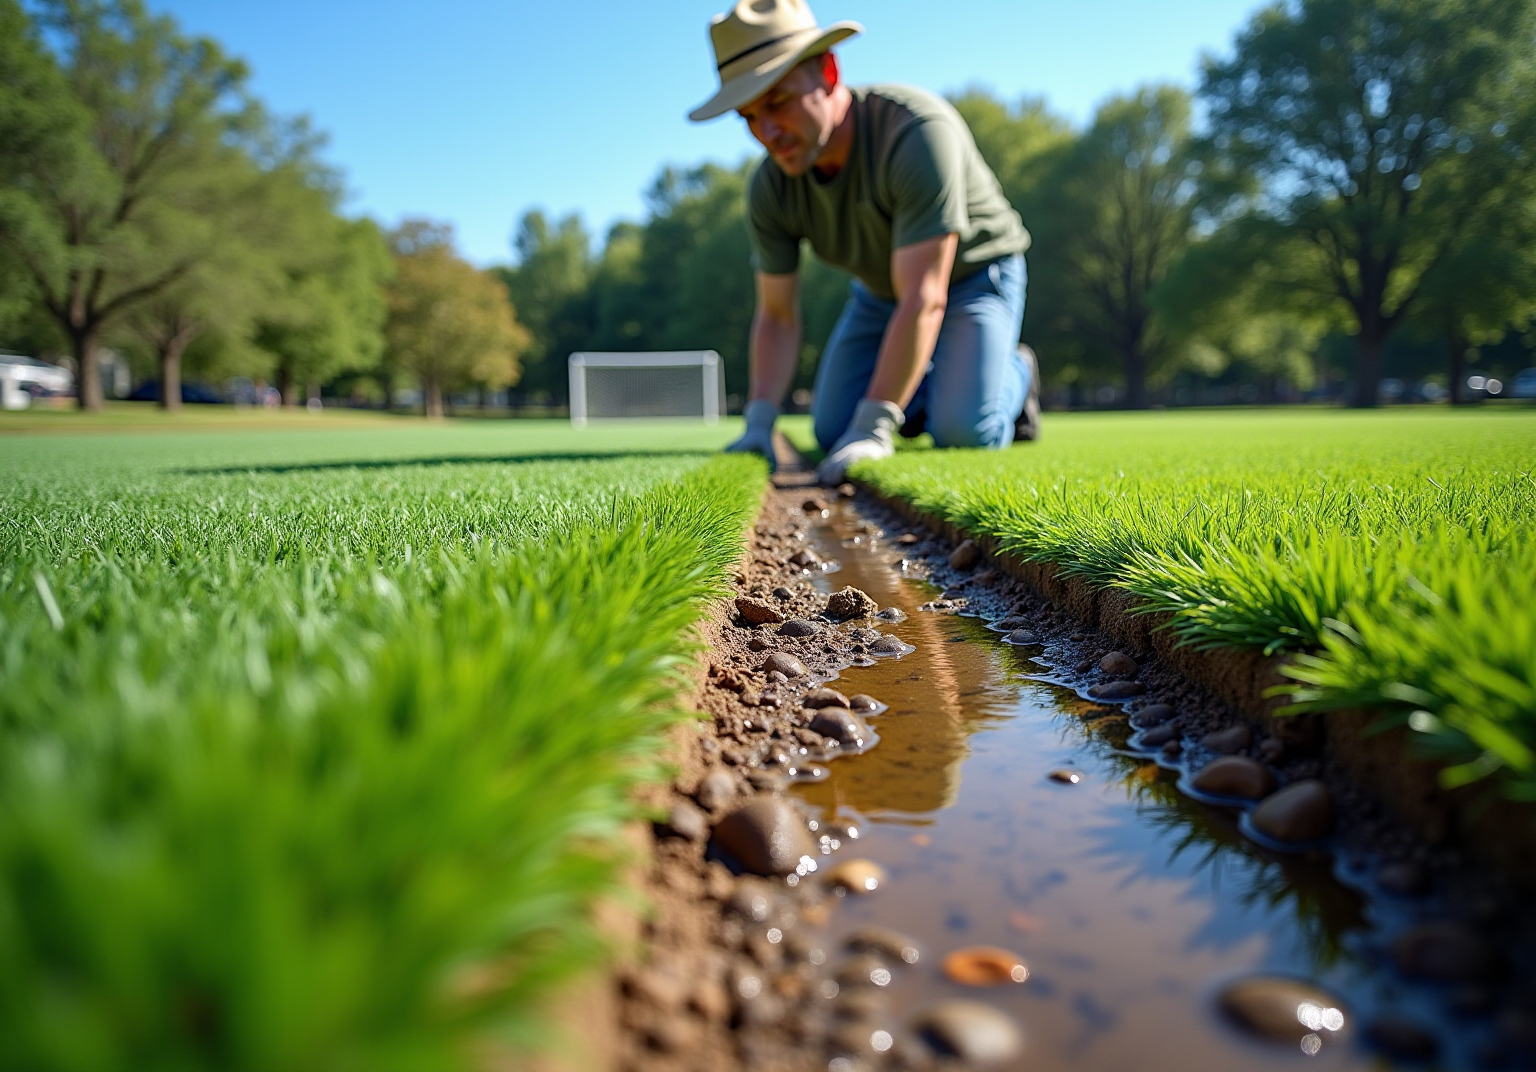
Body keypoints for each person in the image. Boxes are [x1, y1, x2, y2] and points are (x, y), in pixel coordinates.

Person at [691, 0, 1040, 483]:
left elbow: (925, 295)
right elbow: (776, 314)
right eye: (748, 116)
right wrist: (759, 424)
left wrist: (876, 424)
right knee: (835, 428)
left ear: (828, 71)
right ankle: (934, 384)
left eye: (777, 102)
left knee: (963, 431)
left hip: (972, 276)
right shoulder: (771, 188)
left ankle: (1014, 372)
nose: (767, 133)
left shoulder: (916, 133)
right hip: (879, 295)